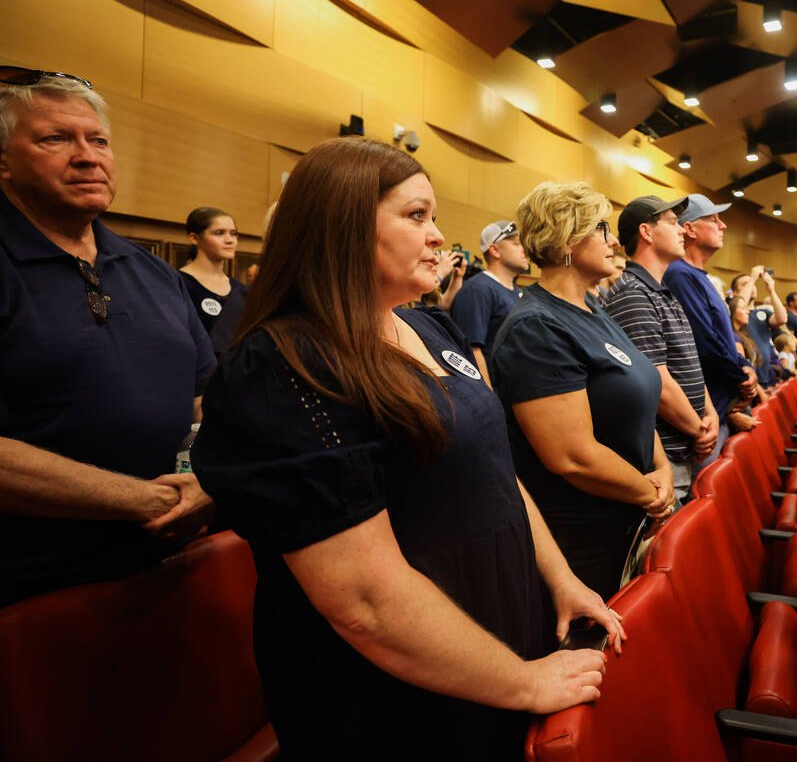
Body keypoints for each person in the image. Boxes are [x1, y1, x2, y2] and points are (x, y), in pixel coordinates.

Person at [189, 139, 619, 759]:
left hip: (493, 642)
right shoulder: (285, 364)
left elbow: (495, 474)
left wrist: (560, 578)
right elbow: (364, 599)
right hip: (391, 698)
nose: (439, 237)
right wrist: (522, 681)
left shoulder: (427, 324)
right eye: (417, 216)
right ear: (343, 227)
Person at [0, 66, 215, 606]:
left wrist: (207, 480)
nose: (87, 155)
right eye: (55, 138)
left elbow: (203, 400)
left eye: (99, 140)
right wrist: (140, 500)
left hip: (167, 569)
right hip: (33, 591)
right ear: (4, 161)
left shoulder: (157, 273)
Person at [490, 181, 673, 601]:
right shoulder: (535, 327)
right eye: (601, 229)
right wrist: (651, 492)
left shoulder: (593, 310)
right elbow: (572, 457)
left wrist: (661, 468)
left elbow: (638, 402)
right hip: (580, 541)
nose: (613, 242)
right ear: (567, 239)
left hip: (630, 516)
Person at [605, 195, 719, 506]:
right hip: (667, 453)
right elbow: (657, 382)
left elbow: (688, 363)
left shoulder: (661, 290)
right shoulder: (632, 294)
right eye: (672, 222)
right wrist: (700, 430)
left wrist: (709, 413)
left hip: (688, 442)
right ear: (646, 231)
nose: (683, 229)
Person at [664, 194, 758, 451]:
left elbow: (723, 337)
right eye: (713, 219)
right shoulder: (680, 274)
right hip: (705, 413)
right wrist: (742, 376)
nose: (723, 225)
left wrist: (745, 366)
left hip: (719, 403)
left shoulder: (696, 275)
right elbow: (704, 342)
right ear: (689, 229)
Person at [449, 219, 525, 385]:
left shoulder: (519, 292)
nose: (524, 250)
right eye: (516, 244)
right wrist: (490, 399)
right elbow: (472, 350)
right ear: (495, 250)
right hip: (496, 396)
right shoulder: (478, 289)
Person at [178, 206, 248, 338]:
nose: (230, 240)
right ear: (194, 238)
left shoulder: (239, 288)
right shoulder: (178, 282)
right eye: (219, 233)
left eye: (233, 233)